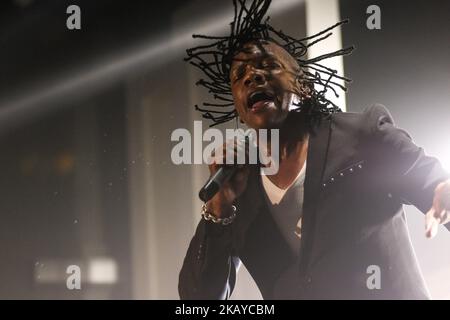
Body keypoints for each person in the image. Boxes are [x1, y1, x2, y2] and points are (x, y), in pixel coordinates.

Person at [178, 0, 450, 299]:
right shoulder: (239, 187)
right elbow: (198, 300)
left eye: (268, 66)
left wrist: (442, 191)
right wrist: (219, 208)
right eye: (239, 76)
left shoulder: (362, 134)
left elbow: (430, 181)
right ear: (240, 111)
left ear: (302, 86)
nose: (252, 76)